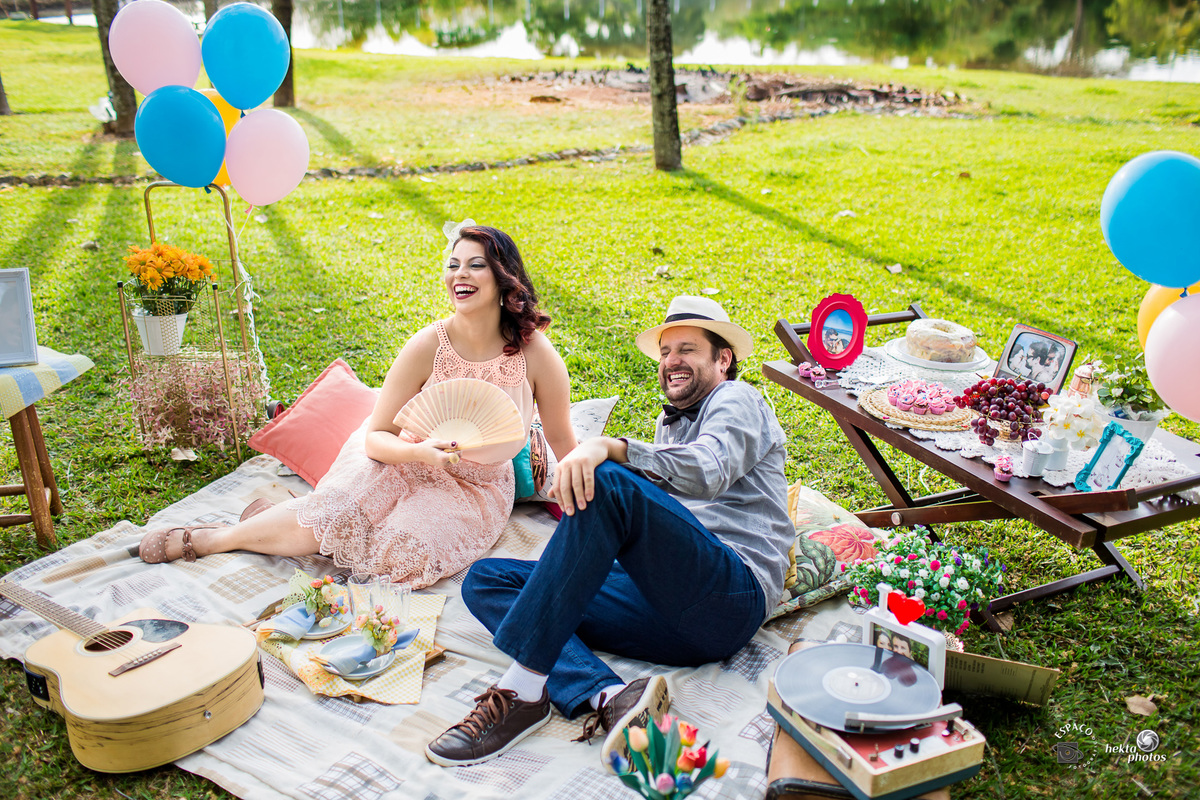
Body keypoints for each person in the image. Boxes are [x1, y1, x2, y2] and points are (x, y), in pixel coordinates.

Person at [425, 296, 793, 769]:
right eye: (665, 352)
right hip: (672, 618)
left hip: (729, 599)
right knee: (487, 580)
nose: (672, 361)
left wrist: (609, 448)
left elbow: (708, 470)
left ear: (723, 360)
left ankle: (521, 691)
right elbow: (659, 522)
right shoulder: (668, 423)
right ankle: (609, 696)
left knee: (609, 481)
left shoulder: (738, 399)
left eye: (687, 349)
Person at [138, 222, 577, 588]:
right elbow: (376, 437)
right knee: (331, 517)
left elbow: (562, 439)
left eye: (475, 265)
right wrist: (420, 453)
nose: (459, 274)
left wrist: (584, 491)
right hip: (399, 459)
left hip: (474, 486)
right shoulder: (428, 344)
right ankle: (220, 538)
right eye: (453, 264)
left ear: (504, 279)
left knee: (404, 557)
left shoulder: (535, 354)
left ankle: (273, 523)